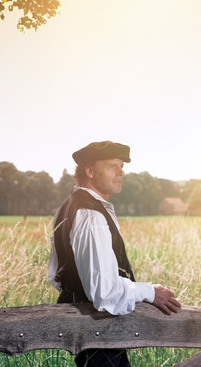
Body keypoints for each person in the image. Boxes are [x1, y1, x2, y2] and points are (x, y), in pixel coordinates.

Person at [48, 141, 181, 367]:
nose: (121, 172)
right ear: (89, 171)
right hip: (99, 332)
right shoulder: (91, 216)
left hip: (96, 330)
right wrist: (149, 292)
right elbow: (105, 293)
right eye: (112, 165)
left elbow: (57, 276)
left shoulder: (69, 206)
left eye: (121, 166)